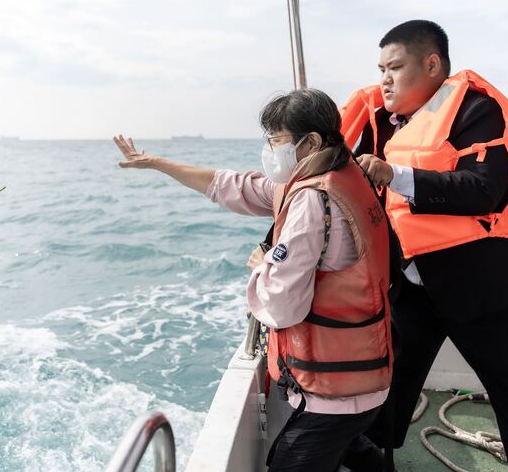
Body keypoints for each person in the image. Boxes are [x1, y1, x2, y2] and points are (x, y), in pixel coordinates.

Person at [113, 88, 394, 472]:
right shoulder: (343, 175)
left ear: (309, 142)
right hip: (364, 372)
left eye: (276, 140)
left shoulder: (313, 200)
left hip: (335, 392)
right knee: (355, 454)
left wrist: (261, 264)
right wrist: (160, 164)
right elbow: (235, 186)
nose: (269, 149)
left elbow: (281, 305)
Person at [340, 20, 508, 471]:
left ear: (432, 65)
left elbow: (485, 189)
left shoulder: (478, 111)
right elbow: (337, 177)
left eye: (395, 67)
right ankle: (366, 461)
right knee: (388, 382)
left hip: (493, 292)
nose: (384, 79)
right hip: (419, 288)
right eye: (380, 68)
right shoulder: (382, 120)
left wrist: (394, 174)